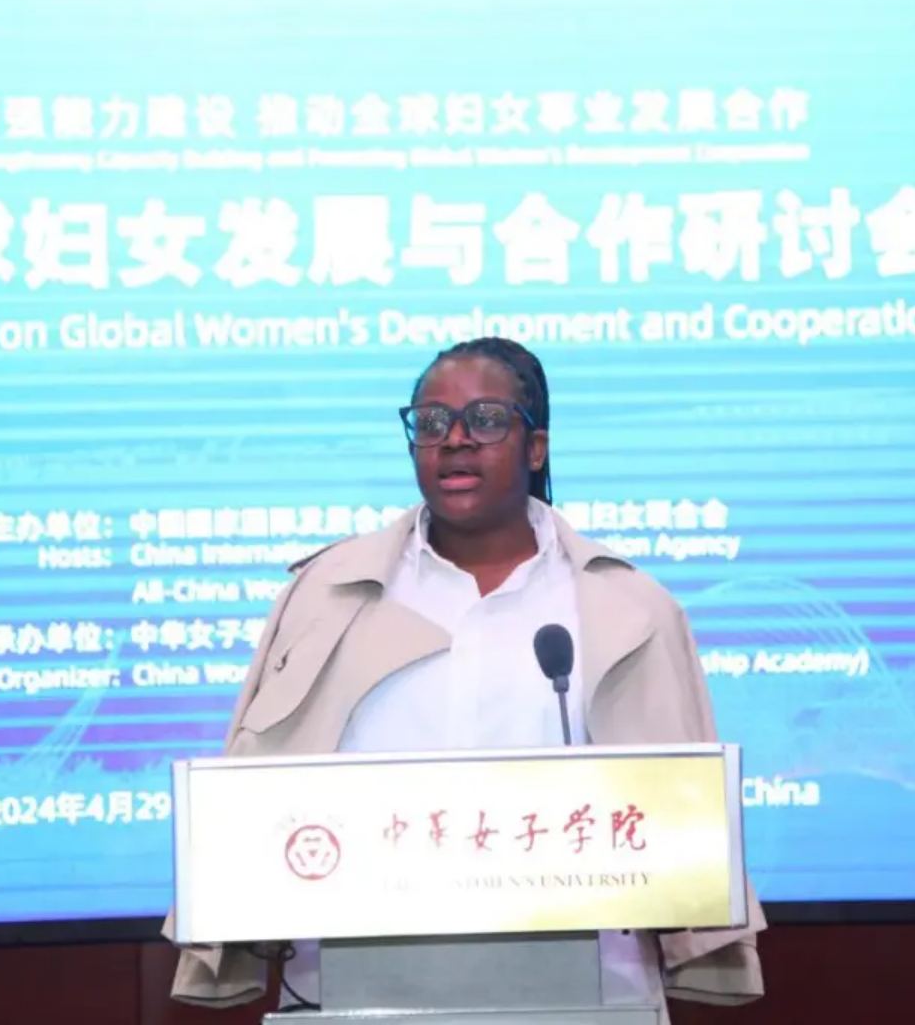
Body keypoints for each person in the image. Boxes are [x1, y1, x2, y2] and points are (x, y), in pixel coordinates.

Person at [163, 336, 765, 1013]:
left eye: (485, 420)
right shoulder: (327, 596)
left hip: (592, 993)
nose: (454, 440)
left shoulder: (626, 607)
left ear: (536, 448)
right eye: (431, 422)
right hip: (352, 989)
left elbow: (682, 809)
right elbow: (257, 780)